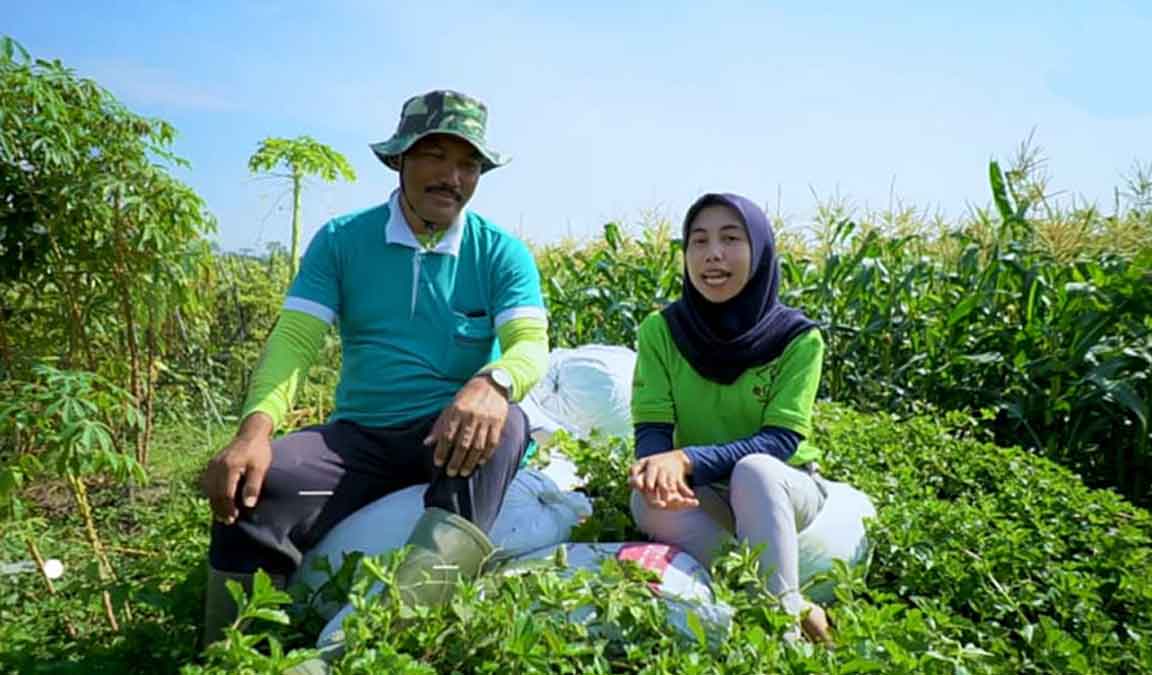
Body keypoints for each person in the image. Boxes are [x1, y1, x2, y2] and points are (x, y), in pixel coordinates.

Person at [198, 90, 549, 650]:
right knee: (256, 486)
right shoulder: (343, 240)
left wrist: (493, 382)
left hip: (449, 435)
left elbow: (529, 344)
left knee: (504, 423)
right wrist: (254, 431)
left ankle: (362, 651)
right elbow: (294, 340)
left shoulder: (501, 253)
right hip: (360, 436)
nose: (451, 176)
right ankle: (232, 656)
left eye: (468, 164)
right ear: (400, 159)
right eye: (435, 155)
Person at [628, 192, 834, 643]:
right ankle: (789, 601)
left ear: (759, 251)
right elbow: (652, 429)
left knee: (754, 470)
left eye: (730, 238)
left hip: (781, 485)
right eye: (698, 241)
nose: (713, 254)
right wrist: (654, 470)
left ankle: (782, 638)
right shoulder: (661, 332)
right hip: (706, 493)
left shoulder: (797, 338)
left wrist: (686, 460)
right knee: (646, 501)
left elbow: (780, 441)